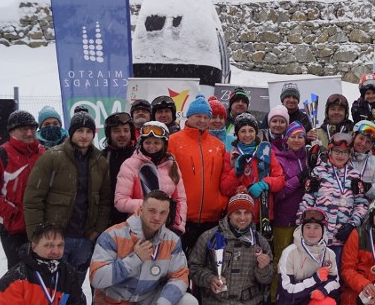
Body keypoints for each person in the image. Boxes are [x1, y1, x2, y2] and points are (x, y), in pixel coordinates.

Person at [190, 187, 280, 305]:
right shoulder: (210, 237)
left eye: (247, 212)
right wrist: (210, 279)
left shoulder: (260, 241)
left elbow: (268, 278)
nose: (242, 217)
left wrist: (263, 268)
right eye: (237, 212)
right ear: (229, 215)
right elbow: (193, 268)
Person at [23, 110, 111, 287]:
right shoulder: (52, 158)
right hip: (56, 238)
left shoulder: (100, 162)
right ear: (71, 133)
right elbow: (33, 200)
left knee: (74, 285)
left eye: (89, 131)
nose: (84, 136)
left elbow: (105, 200)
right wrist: (37, 236)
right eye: (80, 131)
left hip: (85, 238)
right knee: (51, 285)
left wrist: (97, 230)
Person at [0, 110, 45, 270]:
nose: (29, 133)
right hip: (13, 229)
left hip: (41, 226)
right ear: (11, 131)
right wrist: (10, 212)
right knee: (19, 275)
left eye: (32, 128)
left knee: (44, 275)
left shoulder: (44, 153)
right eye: (23, 129)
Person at [276, 207, 344, 305]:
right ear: (301, 228)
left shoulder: (329, 253)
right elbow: (287, 290)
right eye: (307, 227)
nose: (311, 231)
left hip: (311, 302)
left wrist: (324, 291)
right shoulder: (290, 252)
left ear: (323, 230)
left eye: (316, 228)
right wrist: (315, 280)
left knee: (328, 304)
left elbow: (335, 281)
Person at [169, 94, 228, 256]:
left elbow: (224, 178)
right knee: (180, 267)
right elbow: (167, 177)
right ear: (189, 117)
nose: (202, 120)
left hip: (211, 218)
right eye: (198, 116)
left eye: (205, 117)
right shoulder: (173, 141)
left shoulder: (218, 146)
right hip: (182, 218)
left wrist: (220, 202)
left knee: (207, 269)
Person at [300, 133, 370, 268]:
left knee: (335, 275)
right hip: (318, 236)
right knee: (314, 275)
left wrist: (352, 225)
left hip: (340, 238)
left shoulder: (354, 175)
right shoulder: (319, 172)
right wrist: (302, 225)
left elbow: (361, 204)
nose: (340, 155)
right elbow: (307, 200)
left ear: (350, 155)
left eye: (345, 152)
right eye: (337, 151)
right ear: (330, 152)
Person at [114, 121, 187, 235]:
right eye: (147, 142)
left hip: (166, 228)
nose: (151, 146)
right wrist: (150, 206)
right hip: (138, 228)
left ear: (164, 144)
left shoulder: (172, 165)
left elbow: (180, 199)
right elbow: (120, 201)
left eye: (156, 142)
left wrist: (178, 226)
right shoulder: (130, 165)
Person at [222, 112, 286, 231]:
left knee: (262, 249)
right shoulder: (230, 156)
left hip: (262, 214)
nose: (247, 135)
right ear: (236, 133)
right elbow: (225, 189)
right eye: (243, 131)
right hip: (239, 216)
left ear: (256, 132)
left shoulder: (266, 152)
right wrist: (236, 173)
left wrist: (265, 184)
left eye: (251, 130)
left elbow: (280, 179)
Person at [270, 122, 310, 300]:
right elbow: (278, 193)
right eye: (293, 136)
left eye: (300, 136)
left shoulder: (310, 157)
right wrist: (298, 179)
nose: (296, 140)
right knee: (281, 259)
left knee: (303, 260)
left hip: (306, 218)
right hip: (284, 217)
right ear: (286, 138)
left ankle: (299, 295)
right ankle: (275, 297)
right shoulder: (279, 158)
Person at [102, 111, 136, 226]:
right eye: (116, 131)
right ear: (109, 134)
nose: (122, 134)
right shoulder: (101, 158)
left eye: (126, 130)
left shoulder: (140, 156)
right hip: (109, 220)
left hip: (136, 218)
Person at [349, 120, 375, 201]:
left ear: (372, 145)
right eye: (361, 138)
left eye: (368, 142)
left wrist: (366, 187)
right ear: (354, 136)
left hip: (363, 207)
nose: (363, 144)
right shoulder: (343, 156)